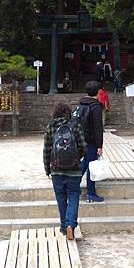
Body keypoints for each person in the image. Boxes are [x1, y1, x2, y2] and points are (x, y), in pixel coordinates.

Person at [43, 102, 87, 240]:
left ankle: (64, 226)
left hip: (56, 169)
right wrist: (76, 158)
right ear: (68, 112)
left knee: (61, 198)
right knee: (73, 195)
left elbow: (47, 150)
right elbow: (83, 146)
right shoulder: (75, 125)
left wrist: (47, 169)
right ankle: (71, 225)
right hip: (74, 169)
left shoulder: (50, 127)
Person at [77, 80, 105, 203]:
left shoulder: (81, 105)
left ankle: (72, 186)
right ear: (99, 92)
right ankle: (91, 193)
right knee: (91, 166)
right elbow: (98, 127)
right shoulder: (96, 106)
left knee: (85, 163)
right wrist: (100, 145)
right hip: (92, 141)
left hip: (81, 139)